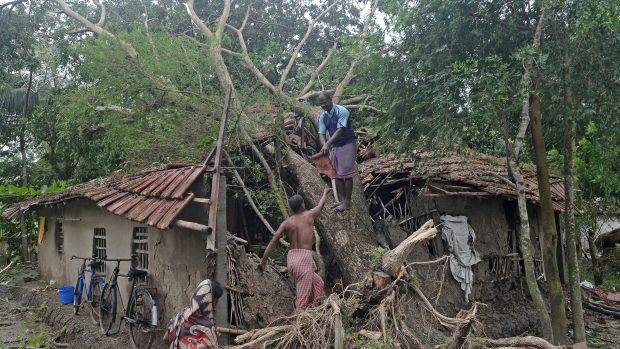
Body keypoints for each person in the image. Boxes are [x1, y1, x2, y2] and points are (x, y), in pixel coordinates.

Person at [259, 188, 331, 310]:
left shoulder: (287, 222)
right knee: (301, 301)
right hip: (304, 260)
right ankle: (299, 324)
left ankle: (312, 311)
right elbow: (320, 205)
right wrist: (324, 192)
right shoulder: (309, 215)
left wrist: (263, 261)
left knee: (318, 283)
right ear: (302, 204)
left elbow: (274, 240)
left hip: (292, 259)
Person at [317, 91, 358, 212]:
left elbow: (341, 129)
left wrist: (327, 144)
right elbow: (321, 133)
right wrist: (325, 145)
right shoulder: (323, 116)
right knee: (336, 175)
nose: (323, 105)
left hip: (348, 143)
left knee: (346, 173)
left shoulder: (342, 111)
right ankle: (342, 200)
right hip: (335, 146)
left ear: (330, 99)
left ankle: (348, 201)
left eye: (324, 102)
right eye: (321, 104)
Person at [164, 279, 223, 349]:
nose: (216, 306)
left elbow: (165, 338)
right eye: (215, 301)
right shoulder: (208, 328)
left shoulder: (179, 315)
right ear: (208, 300)